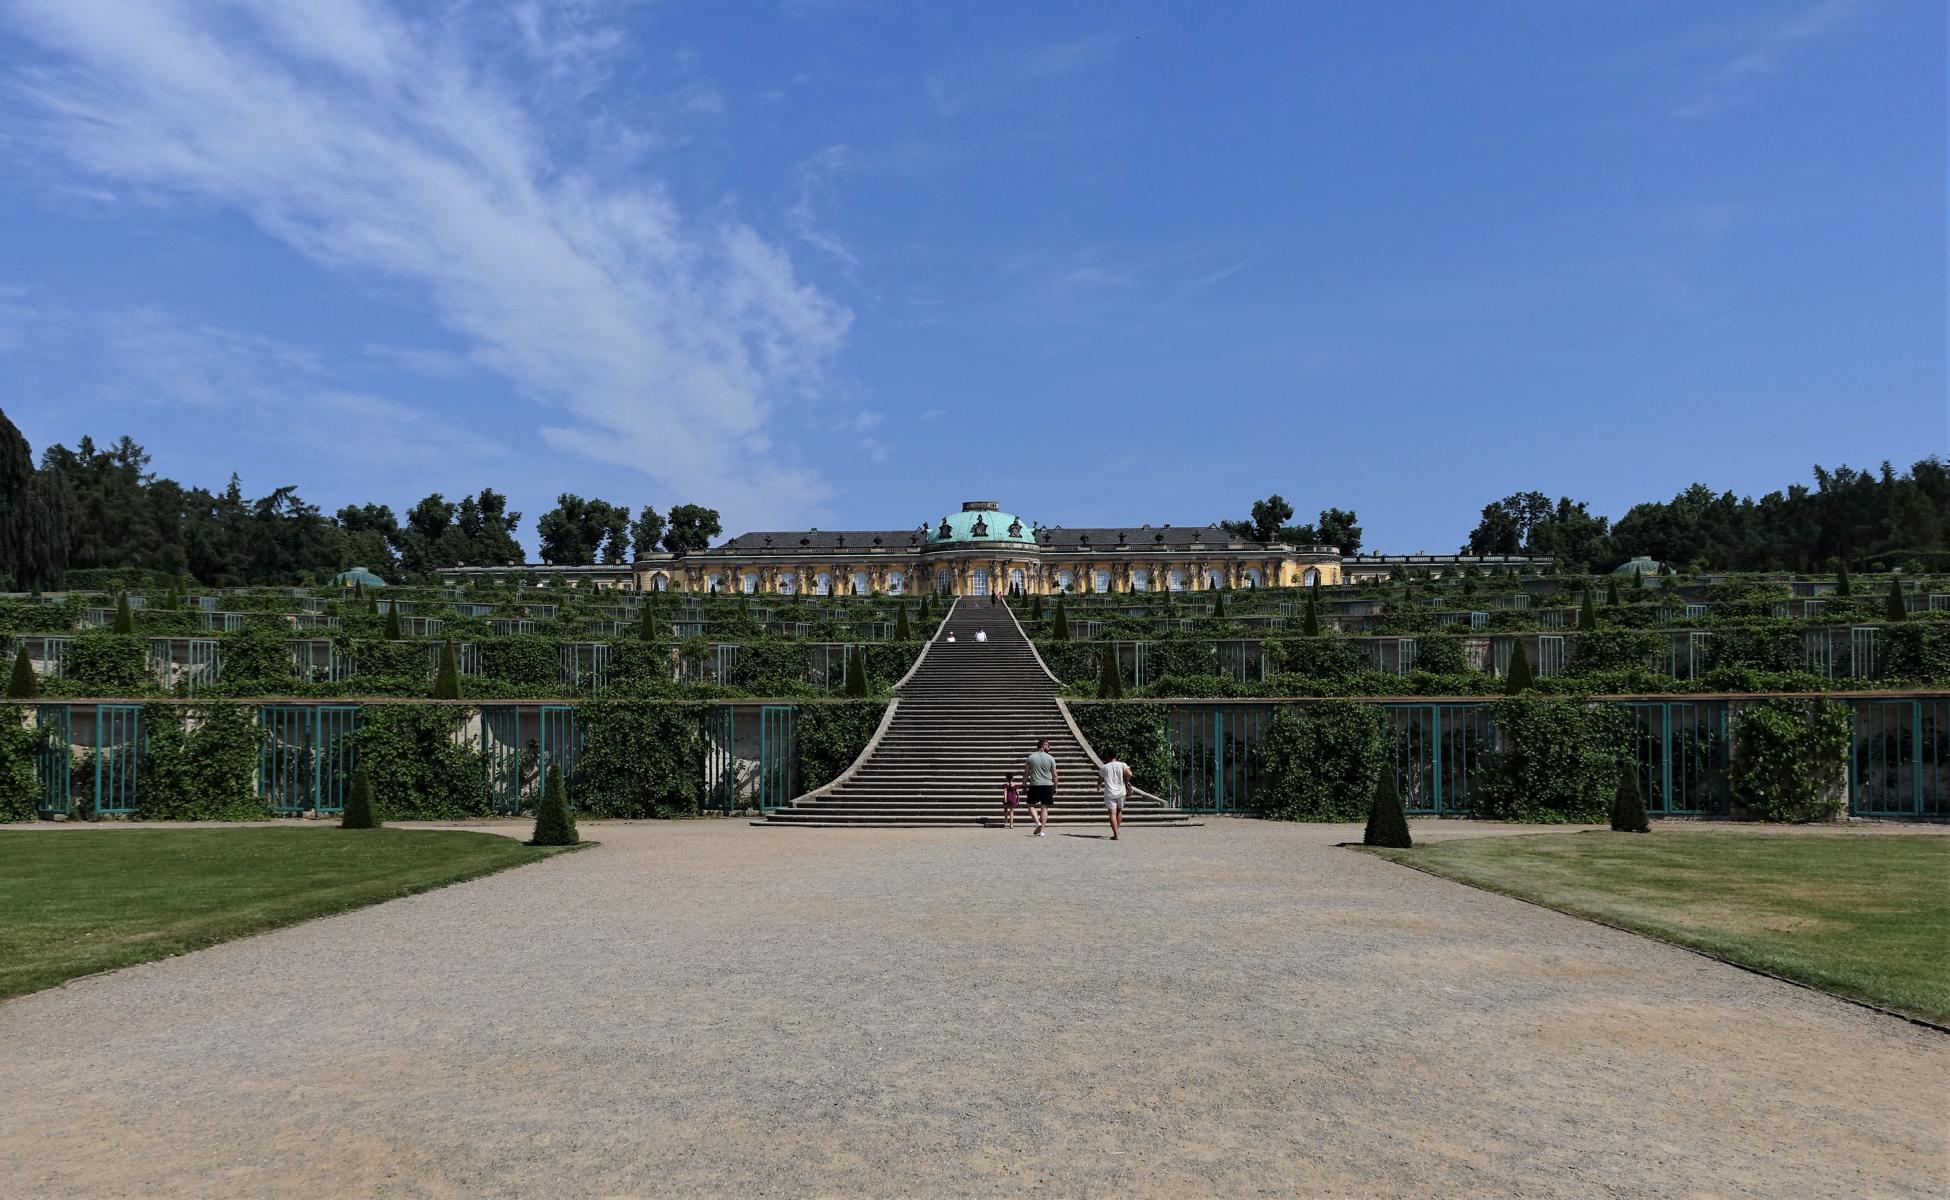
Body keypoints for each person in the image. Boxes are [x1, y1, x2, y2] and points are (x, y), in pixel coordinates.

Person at [1025, 737, 1058, 836]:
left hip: (1034, 784)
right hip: (1047, 785)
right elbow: (1055, 775)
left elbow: (1026, 773)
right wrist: (1055, 787)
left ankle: (1037, 822)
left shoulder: (1030, 757)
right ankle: (1041, 831)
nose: (1049, 748)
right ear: (1043, 746)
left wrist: (1023, 785)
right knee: (1044, 808)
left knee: (1030, 805)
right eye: (1048, 746)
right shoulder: (1051, 758)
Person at [1100, 750, 1132, 840]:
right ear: (1116, 755)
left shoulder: (1104, 767)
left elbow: (1100, 778)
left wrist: (1098, 786)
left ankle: (1116, 834)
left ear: (1107, 756)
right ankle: (1117, 830)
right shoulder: (1122, 765)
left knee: (1112, 814)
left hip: (1110, 792)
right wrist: (1126, 779)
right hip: (1121, 792)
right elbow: (1130, 774)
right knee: (1119, 811)